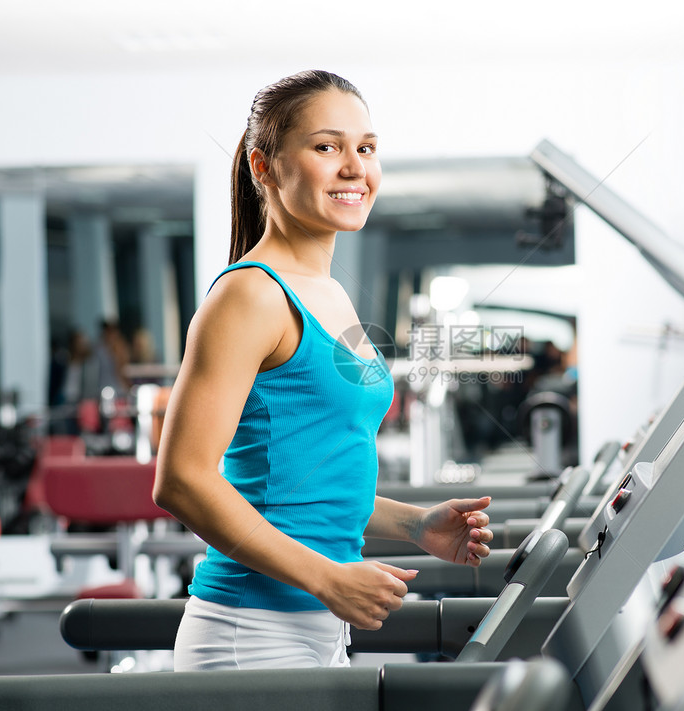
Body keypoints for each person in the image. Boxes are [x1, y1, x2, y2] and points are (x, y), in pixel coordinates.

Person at [153, 70, 493, 671]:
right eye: (326, 147)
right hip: (249, 630)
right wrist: (328, 578)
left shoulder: (332, 294)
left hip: (316, 626)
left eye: (366, 148)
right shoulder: (250, 297)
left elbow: (306, 481)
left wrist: (417, 526)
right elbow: (181, 480)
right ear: (264, 167)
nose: (355, 167)